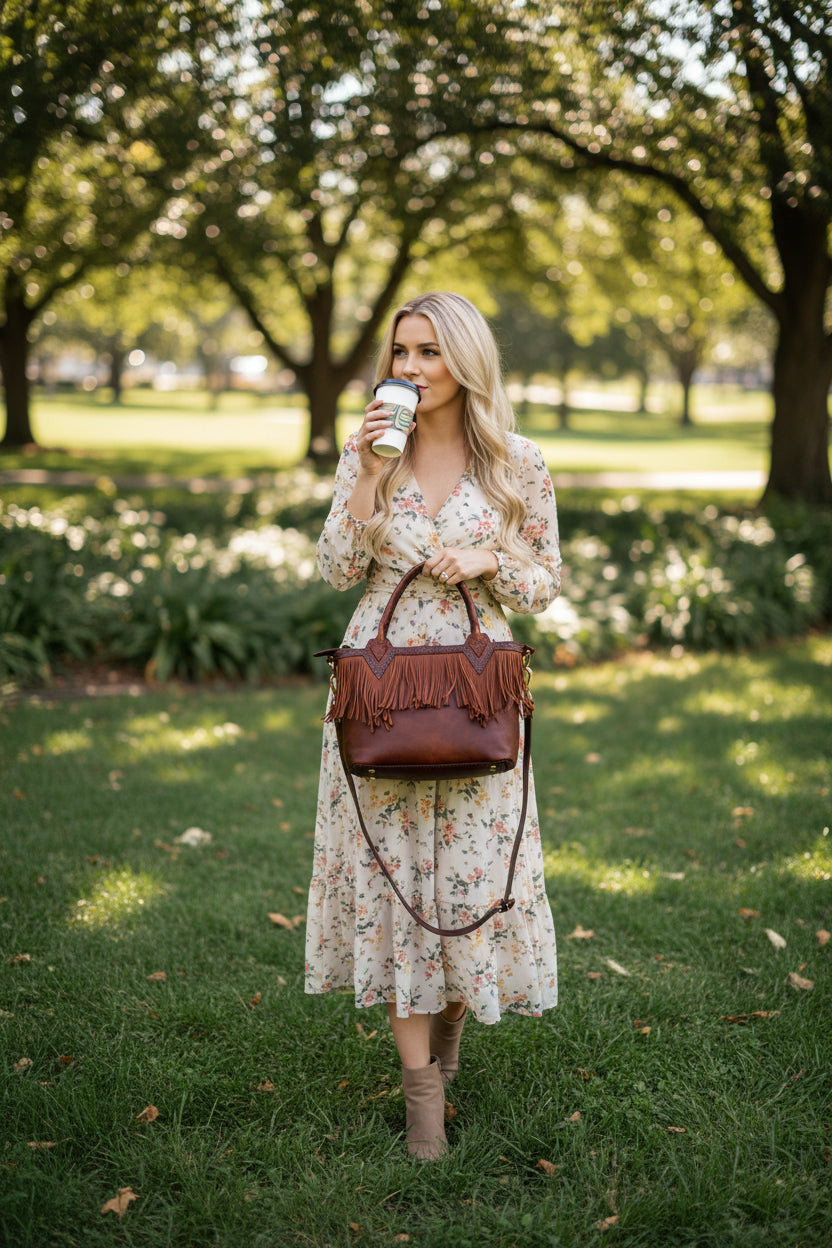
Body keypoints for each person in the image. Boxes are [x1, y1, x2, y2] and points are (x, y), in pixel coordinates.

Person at [305, 291, 561, 1161]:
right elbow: (338, 567)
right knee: (397, 889)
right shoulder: (372, 450)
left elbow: (547, 581)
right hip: (382, 691)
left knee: (468, 883)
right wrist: (369, 475)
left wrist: (491, 556)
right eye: (401, 352)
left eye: (429, 353)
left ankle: (450, 1034)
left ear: (466, 361)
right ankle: (423, 1100)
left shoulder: (517, 464)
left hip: (478, 689)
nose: (409, 369)